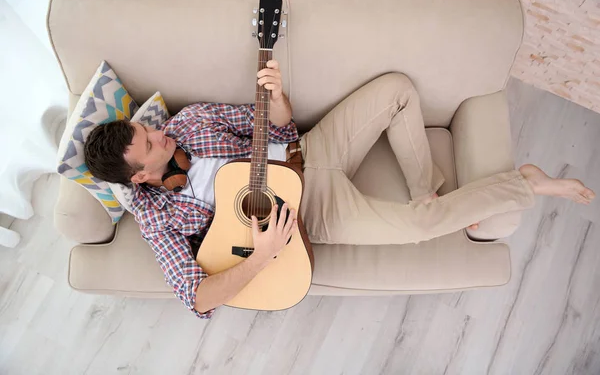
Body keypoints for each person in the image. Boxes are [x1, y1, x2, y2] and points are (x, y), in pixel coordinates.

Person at [83, 61, 595, 319]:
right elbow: (196, 297)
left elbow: (277, 128)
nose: (161, 131)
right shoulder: (157, 218)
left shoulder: (191, 121)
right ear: (140, 177)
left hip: (312, 150)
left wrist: (278, 98)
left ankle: (425, 187)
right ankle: (525, 183)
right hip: (308, 213)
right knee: (422, 229)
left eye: (148, 127)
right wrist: (260, 258)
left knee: (396, 88)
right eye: (150, 141)